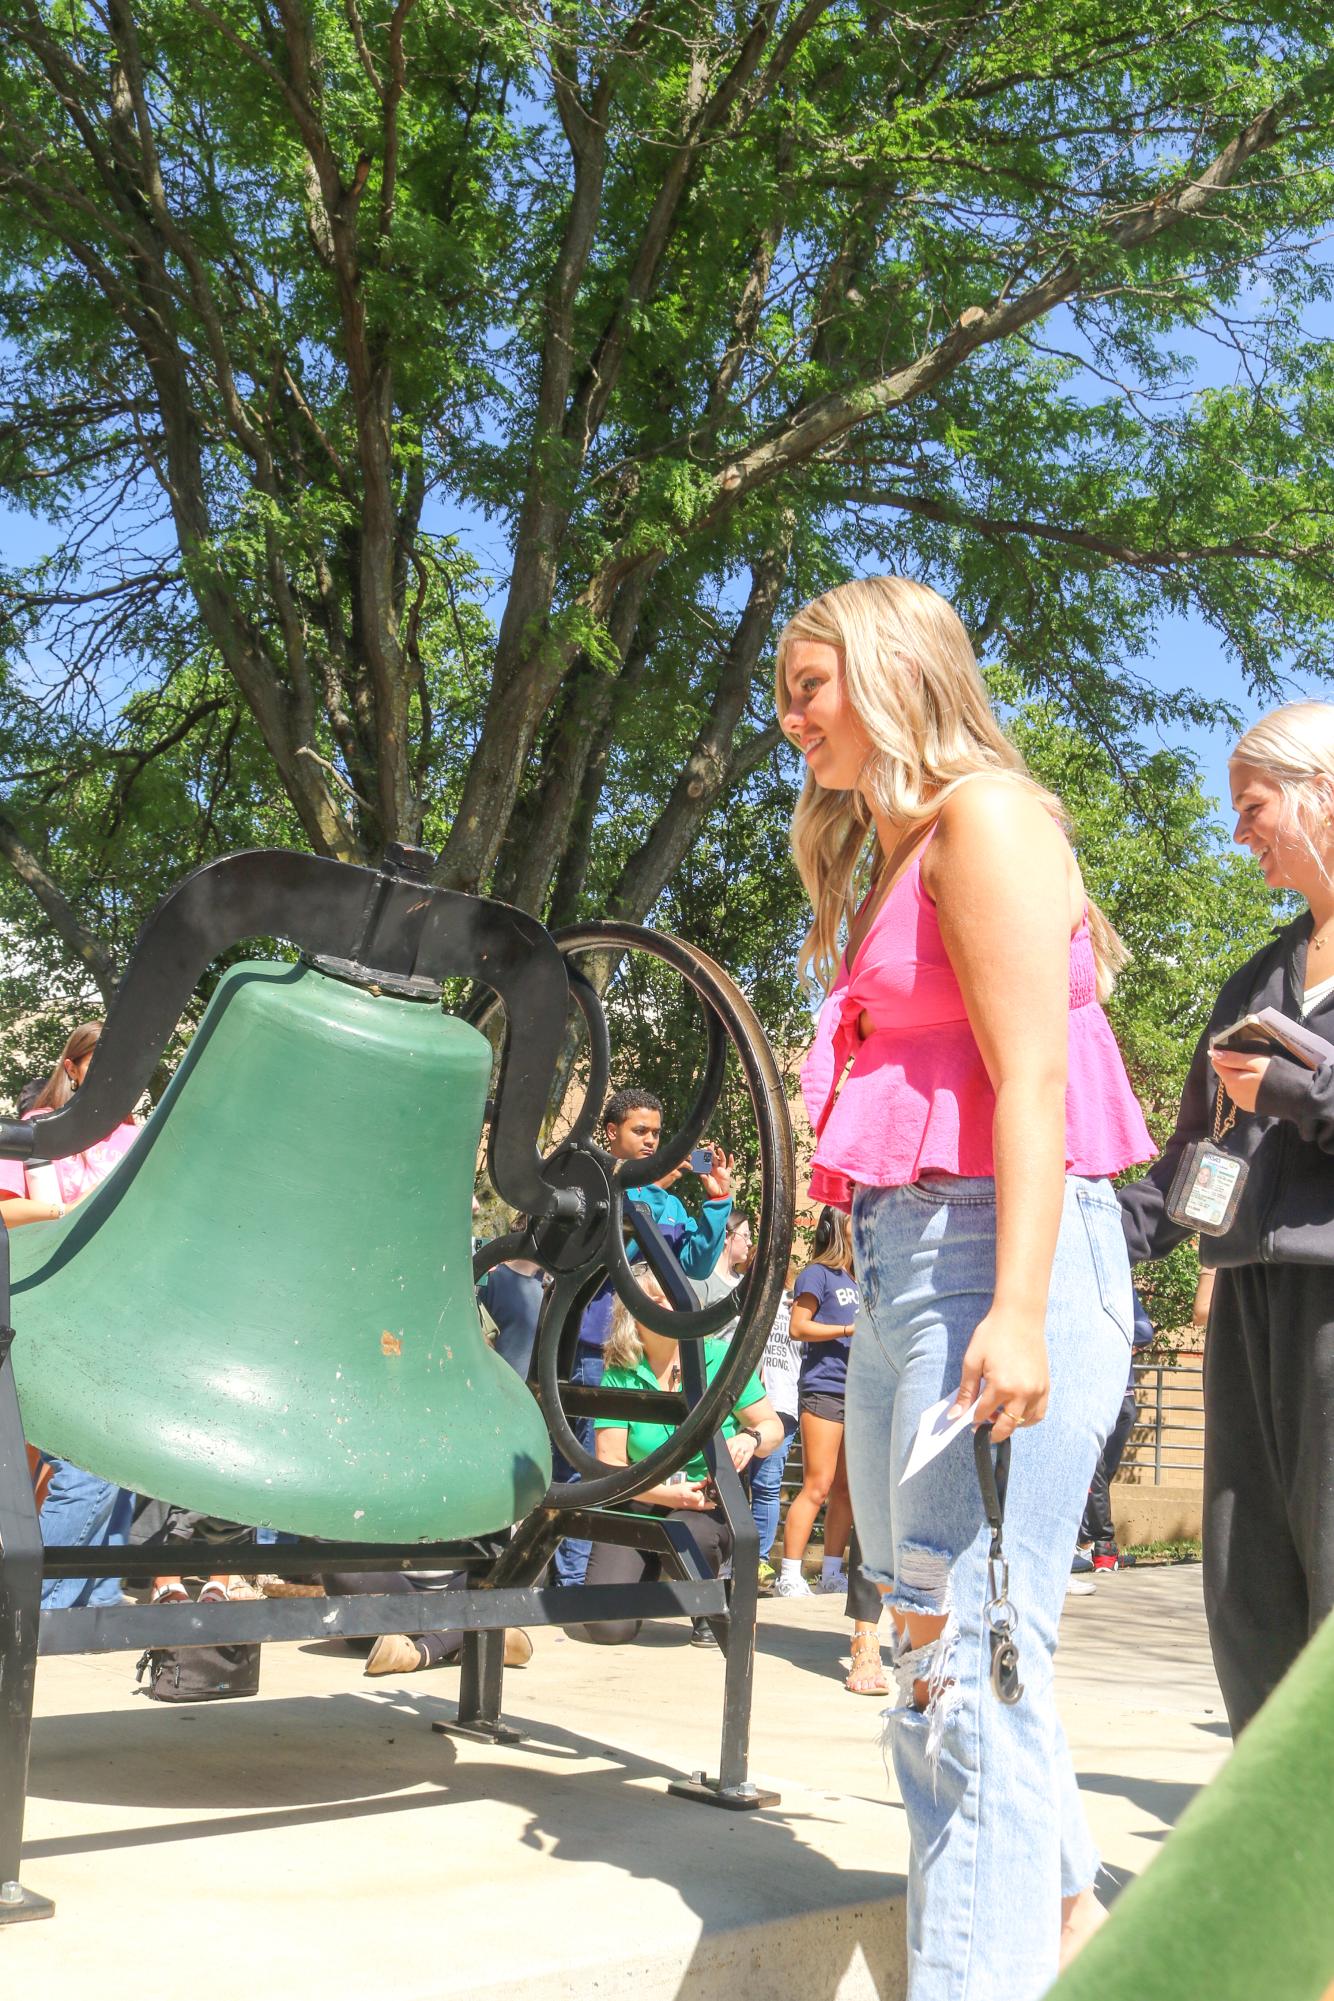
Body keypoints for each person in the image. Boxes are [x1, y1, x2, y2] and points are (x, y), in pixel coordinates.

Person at [779, 574, 1154, 1999]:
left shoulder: (985, 817)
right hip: (896, 1264)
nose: (790, 722)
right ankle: (1060, 1917)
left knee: (957, 1664)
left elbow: (1035, 1086)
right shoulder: (880, 849)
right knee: (951, 1636)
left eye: (808, 689)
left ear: (888, 673)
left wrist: (1012, 1304)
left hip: (995, 1259)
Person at [1120, 701, 1334, 1737]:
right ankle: (1273, 1841)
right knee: (1245, 1583)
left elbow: (1293, 1106)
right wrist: (1093, 1234)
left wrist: (1308, 1094)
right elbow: (1200, 1162)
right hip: (1247, 1301)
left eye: (1252, 806)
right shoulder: (1255, 976)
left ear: (1322, 797)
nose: (1238, 832)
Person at [552, 1087, 732, 1587]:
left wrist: (718, 1204)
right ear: (612, 1132)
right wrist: (645, 1183)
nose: (653, 1141)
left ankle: (612, 1573)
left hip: (652, 1349)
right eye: (640, 1131)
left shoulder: (668, 1200)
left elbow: (692, 1264)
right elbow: (601, 1245)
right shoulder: (596, 1184)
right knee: (583, 1460)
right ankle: (568, 1582)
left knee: (627, 1458)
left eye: (657, 1133)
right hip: (596, 1348)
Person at [579, 1264, 782, 1646]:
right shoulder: (620, 1372)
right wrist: (665, 1495)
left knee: (689, 1533)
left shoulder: (720, 1357)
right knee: (608, 1628)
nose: (666, 1304)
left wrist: (750, 1439)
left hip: (702, 1505)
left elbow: (773, 1427)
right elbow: (610, 1468)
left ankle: (707, 1598)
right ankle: (649, 1575)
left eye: (671, 1295)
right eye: (654, 1298)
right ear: (633, 1313)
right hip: (639, 1502)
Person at [21, 1023, 144, 1611]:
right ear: (72, 1067)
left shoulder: (137, 1135)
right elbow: (28, 1214)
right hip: (56, 1306)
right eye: (101, 1059)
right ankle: (32, 1607)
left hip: (126, 1311)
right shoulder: (39, 1131)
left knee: (116, 1462)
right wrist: (65, 1209)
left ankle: (94, 1601)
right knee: (85, 1464)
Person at [774, 1206, 859, 1598]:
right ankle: (789, 1574)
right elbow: (797, 1327)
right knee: (817, 1485)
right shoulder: (816, 1274)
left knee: (845, 1490)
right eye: (852, 1214)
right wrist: (846, 1329)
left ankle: (830, 1573)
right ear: (836, 1226)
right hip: (824, 1389)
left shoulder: (861, 1279)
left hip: (858, 1392)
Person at [1075, 1290, 1154, 1572]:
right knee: (1090, 1471)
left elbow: (1145, 1331)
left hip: (1122, 1398)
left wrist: (1111, 1335)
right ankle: (1102, 1545)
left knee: (1102, 1475)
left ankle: (1083, 1541)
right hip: (1090, 1396)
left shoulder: (1120, 1286)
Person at [749, 1262, 800, 1584]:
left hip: (783, 1404)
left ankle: (759, 1562)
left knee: (766, 1487)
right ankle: (731, 1557)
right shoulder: (746, 1296)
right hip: (745, 1404)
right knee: (732, 1485)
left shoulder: (797, 1301)